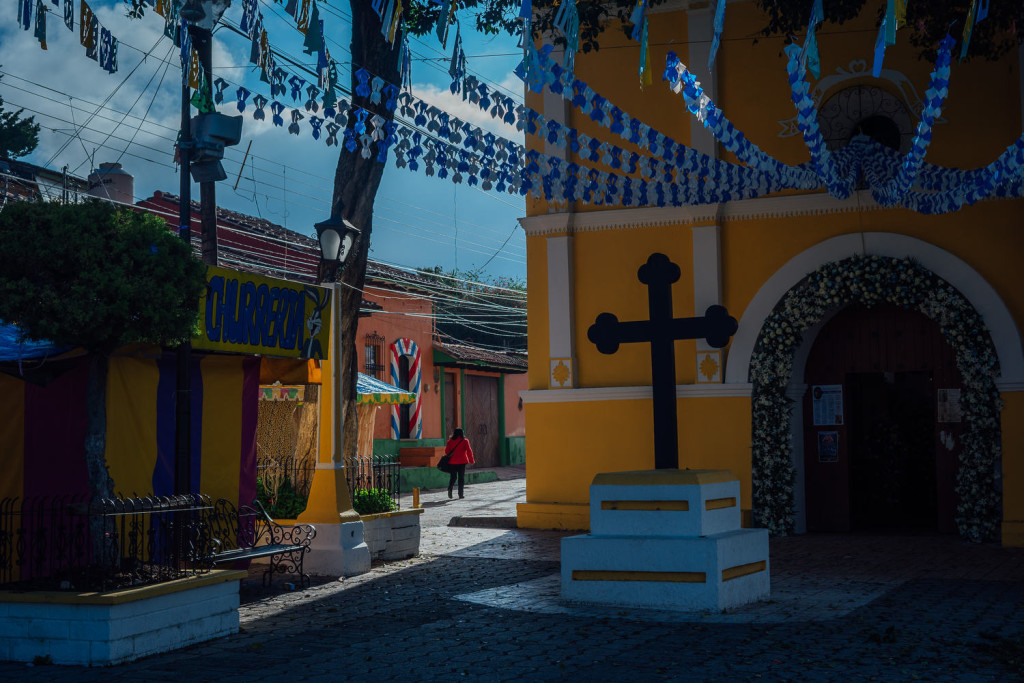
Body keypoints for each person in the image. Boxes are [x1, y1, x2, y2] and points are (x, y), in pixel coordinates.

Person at [444, 428, 474, 499]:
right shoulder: (465, 441)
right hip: (462, 462)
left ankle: (450, 488)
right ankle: (460, 494)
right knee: (461, 478)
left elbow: (447, 452)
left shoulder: (450, 441)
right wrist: (471, 460)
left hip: (452, 462)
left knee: (453, 477)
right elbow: (469, 451)